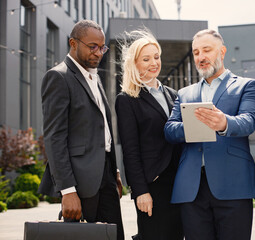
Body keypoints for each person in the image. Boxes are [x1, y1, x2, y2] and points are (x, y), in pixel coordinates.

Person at [164, 29, 255, 240]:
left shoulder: (247, 85)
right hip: (192, 189)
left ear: (222, 51)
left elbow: (250, 121)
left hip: (233, 185)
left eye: (206, 50)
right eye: (196, 52)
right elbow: (170, 129)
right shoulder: (184, 93)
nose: (201, 57)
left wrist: (224, 122)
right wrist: (191, 126)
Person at [38, 20, 124, 240]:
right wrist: (67, 191)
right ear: (73, 43)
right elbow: (55, 138)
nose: (98, 53)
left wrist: (113, 171)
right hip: (80, 182)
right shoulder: (59, 77)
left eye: (102, 48)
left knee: (114, 235)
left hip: (105, 177)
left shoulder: (94, 77)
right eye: (92, 46)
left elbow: (101, 128)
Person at [115, 30, 183, 240]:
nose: (154, 62)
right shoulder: (127, 99)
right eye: (146, 59)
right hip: (153, 185)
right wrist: (140, 191)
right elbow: (130, 150)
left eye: (156, 56)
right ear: (134, 64)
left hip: (180, 182)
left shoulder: (174, 95)